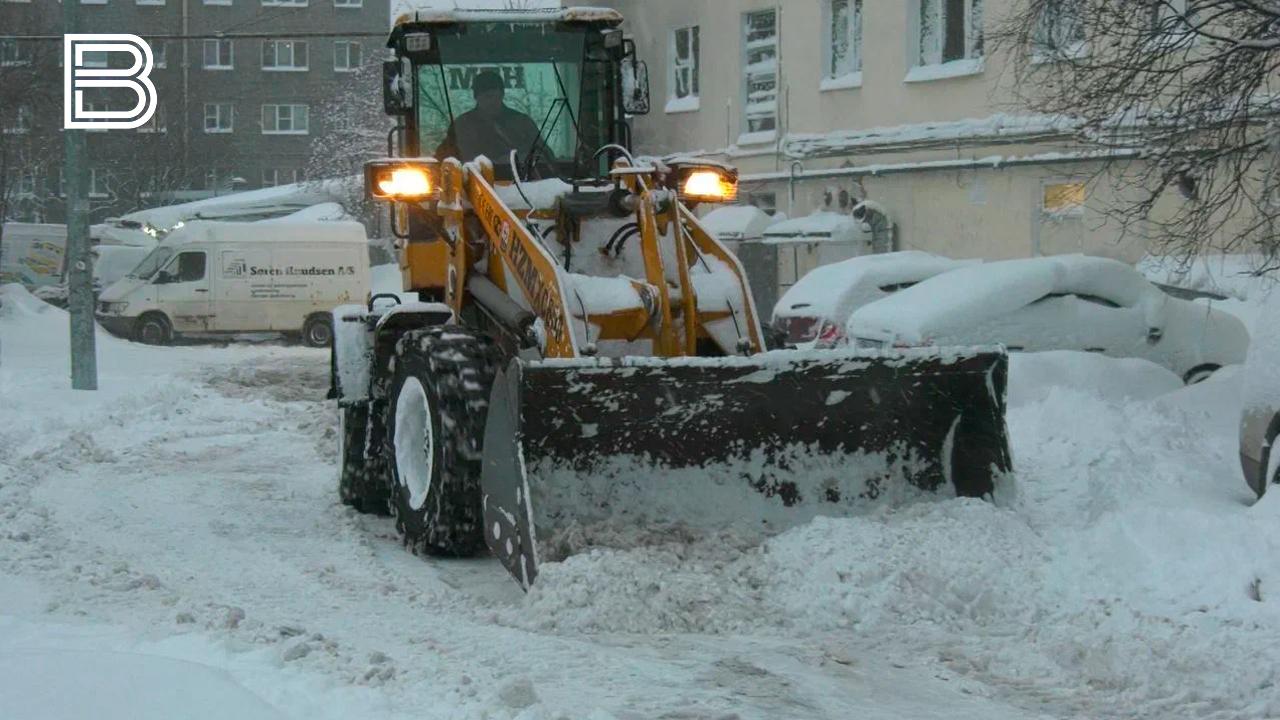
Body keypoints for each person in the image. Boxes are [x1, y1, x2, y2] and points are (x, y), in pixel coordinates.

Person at [435, 70, 554, 175]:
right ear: (477, 97)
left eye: (494, 96)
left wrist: (517, 159)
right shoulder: (462, 126)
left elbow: (544, 155)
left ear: (502, 95)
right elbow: (444, 160)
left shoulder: (522, 123)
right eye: (486, 96)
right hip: (472, 187)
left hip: (521, 184)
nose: (491, 101)